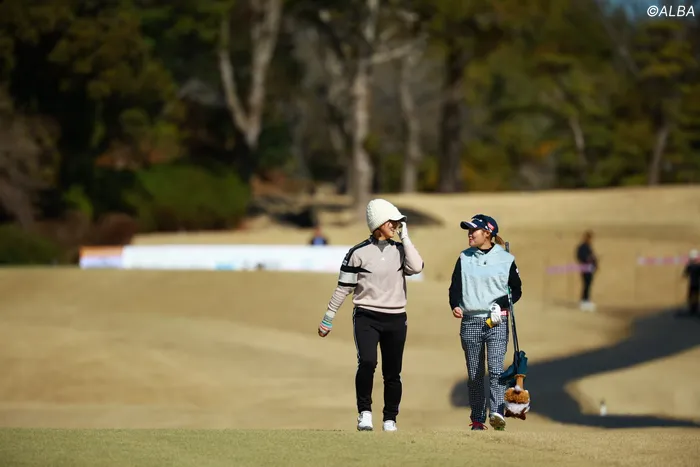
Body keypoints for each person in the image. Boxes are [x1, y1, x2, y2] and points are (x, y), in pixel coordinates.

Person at [317, 198, 424, 432]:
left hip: (396, 318)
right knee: (367, 362)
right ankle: (364, 413)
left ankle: (390, 419)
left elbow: (416, 267)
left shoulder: (400, 250)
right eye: (392, 221)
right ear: (379, 223)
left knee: (392, 372)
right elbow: (343, 288)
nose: (396, 225)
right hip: (366, 316)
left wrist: (406, 238)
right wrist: (328, 317)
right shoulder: (357, 253)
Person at [449, 214, 522, 431]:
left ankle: (497, 412)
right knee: (475, 375)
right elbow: (455, 286)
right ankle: (478, 419)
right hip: (470, 321)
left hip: (497, 321)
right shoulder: (464, 257)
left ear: (488, 233)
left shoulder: (506, 259)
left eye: (474, 230)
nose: (470, 234)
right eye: (469, 230)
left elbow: (516, 290)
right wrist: (455, 304)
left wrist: (501, 304)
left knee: (496, 370)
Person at [576, 230, 598, 312]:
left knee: (588, 285)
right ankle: (584, 301)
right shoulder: (582, 247)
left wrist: (595, 263)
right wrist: (587, 259)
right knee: (586, 284)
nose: (590, 240)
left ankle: (586, 300)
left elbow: (592, 257)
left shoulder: (589, 246)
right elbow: (580, 257)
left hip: (590, 268)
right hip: (585, 268)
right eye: (589, 238)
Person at [683, 249, 700, 316]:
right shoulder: (698, 266)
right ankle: (695, 308)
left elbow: (685, 274)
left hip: (692, 283)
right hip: (698, 283)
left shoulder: (689, 266)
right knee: (696, 296)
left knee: (691, 296)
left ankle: (692, 309)